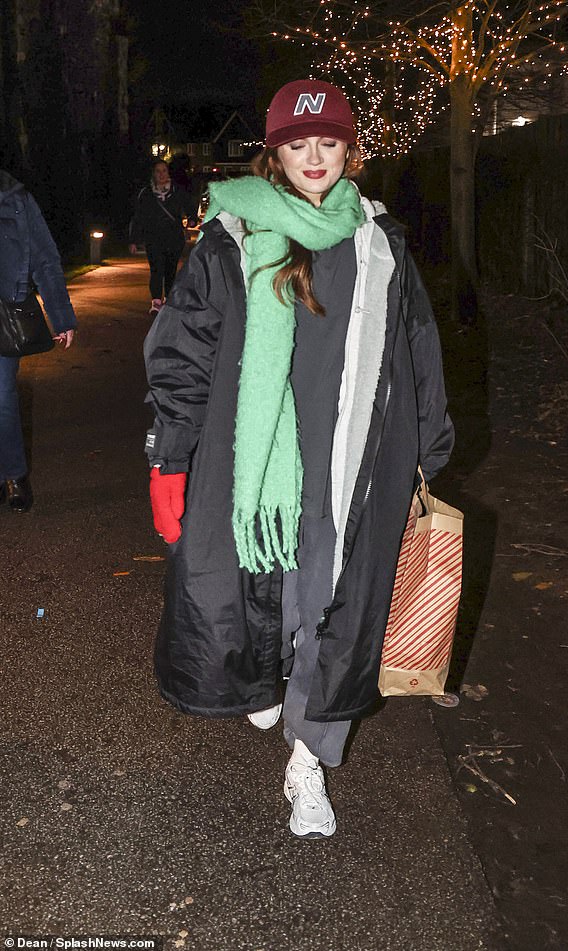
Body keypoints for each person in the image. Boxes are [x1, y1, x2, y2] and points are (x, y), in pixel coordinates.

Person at [143, 80, 454, 839]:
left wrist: (430, 445)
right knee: (261, 603)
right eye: (297, 144)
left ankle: (309, 759)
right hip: (252, 471)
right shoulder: (233, 238)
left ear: (350, 150)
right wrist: (168, 457)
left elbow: (418, 351)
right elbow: (180, 355)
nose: (314, 157)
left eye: (328, 143)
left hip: (353, 472)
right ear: (275, 154)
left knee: (334, 614)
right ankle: (261, 675)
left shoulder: (381, 244)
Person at [0, 170, 77, 513]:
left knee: (1, 397)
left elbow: (45, 257)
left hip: (5, 316)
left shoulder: (16, 199)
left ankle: (14, 475)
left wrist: (61, 316)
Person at [129, 159, 198, 317]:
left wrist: (192, 218)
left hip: (174, 238)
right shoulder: (146, 194)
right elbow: (138, 217)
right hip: (153, 238)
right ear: (153, 174)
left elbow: (189, 206)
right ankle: (156, 302)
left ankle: (169, 299)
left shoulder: (177, 191)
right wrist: (134, 239)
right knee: (156, 269)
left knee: (170, 269)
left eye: (164, 171)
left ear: (168, 173)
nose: (161, 174)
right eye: (158, 171)